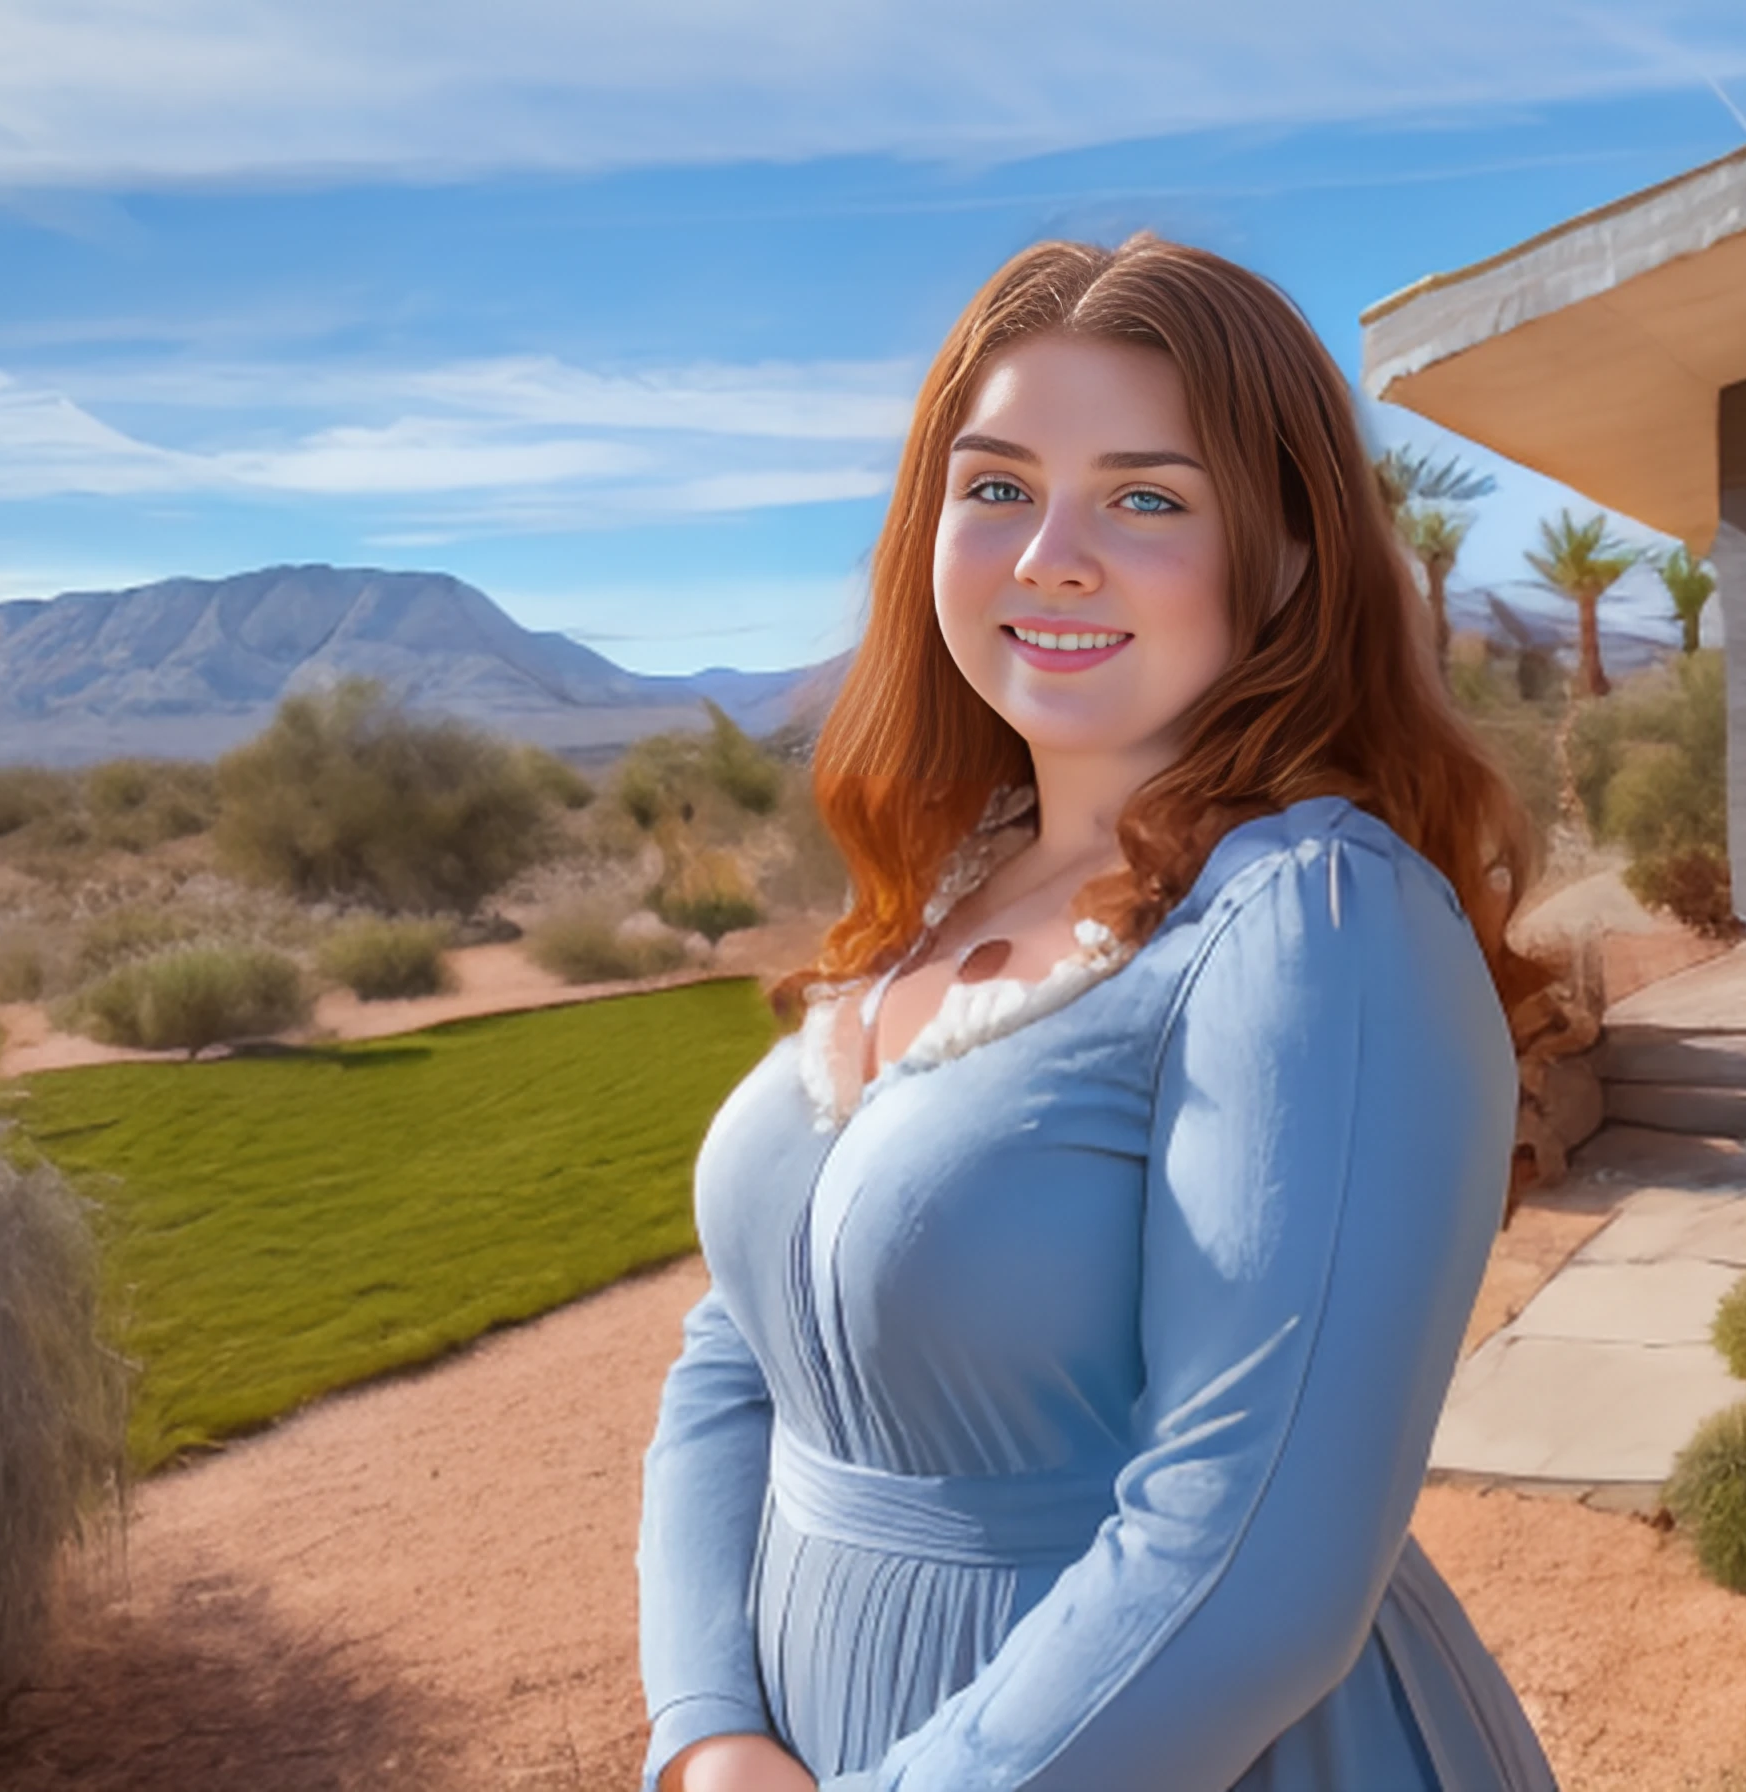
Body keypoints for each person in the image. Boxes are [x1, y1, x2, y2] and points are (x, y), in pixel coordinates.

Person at [637, 233, 1563, 1792]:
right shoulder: (945, 892)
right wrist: (709, 1733)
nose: (1048, 552)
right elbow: (738, 1351)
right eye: (996, 486)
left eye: (1146, 497)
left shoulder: (1319, 920)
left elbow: (1251, 1563)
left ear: (1282, 558)